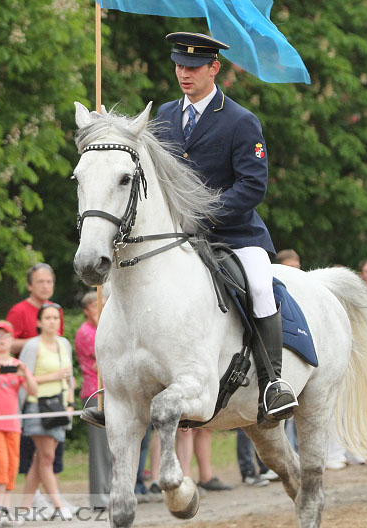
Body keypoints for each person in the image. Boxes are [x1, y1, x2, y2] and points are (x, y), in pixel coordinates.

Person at [86, 31, 298, 431]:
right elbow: (133, 162)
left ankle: (273, 383)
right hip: (172, 237)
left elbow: (252, 186)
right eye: (180, 65)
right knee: (119, 288)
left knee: (259, 286)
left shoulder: (240, 121)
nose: (184, 73)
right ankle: (110, 387)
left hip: (233, 234)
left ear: (213, 68)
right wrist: (105, 131)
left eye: (194, 67)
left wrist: (202, 214)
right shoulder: (163, 116)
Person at [18, 302, 75, 519]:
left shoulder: (64, 344)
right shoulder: (33, 346)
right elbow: (23, 377)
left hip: (59, 405)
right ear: (39, 322)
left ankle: (24, 507)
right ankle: (58, 503)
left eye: (56, 318)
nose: (53, 322)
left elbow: (69, 379)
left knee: (41, 459)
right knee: (47, 456)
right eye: (48, 318)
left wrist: (70, 404)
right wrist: (52, 376)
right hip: (37, 404)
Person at [0, 321, 36, 520]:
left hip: (12, 422)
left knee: (11, 465)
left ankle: (6, 508)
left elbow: (33, 392)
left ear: (12, 340)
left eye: (6, 336)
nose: (1, 340)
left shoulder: (17, 363)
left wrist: (24, 374)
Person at [73, 291, 112, 506]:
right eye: (97, 307)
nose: (101, 311)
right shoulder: (86, 332)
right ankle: (99, 496)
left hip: (109, 390)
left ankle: (111, 490)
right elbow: (104, 356)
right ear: (87, 310)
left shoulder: (103, 328)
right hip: (94, 391)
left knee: (111, 447)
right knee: (99, 450)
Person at [6, 264, 63, 354]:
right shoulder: (18, 311)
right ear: (29, 286)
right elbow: (7, 345)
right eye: (40, 282)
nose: (45, 286)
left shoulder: (56, 309)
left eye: (49, 282)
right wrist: (41, 340)